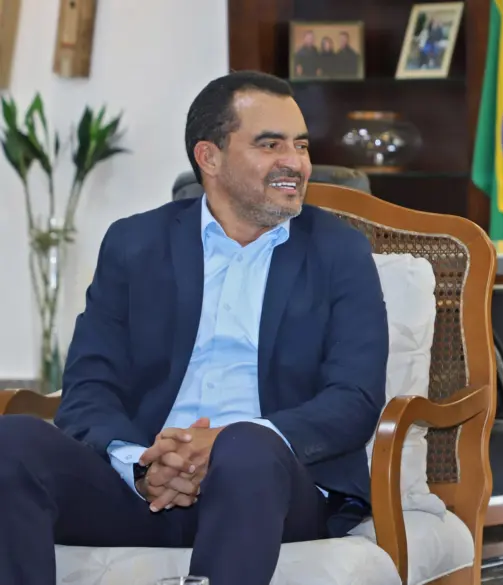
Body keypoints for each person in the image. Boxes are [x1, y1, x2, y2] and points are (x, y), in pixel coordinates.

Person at [0, 70, 389, 585]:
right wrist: (142, 466)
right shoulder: (135, 244)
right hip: (144, 490)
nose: (295, 162)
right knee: (11, 442)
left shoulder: (339, 252)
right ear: (209, 157)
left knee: (245, 448)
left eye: (300, 145)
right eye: (270, 144)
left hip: (269, 491)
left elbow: (355, 398)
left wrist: (222, 443)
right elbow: (89, 386)